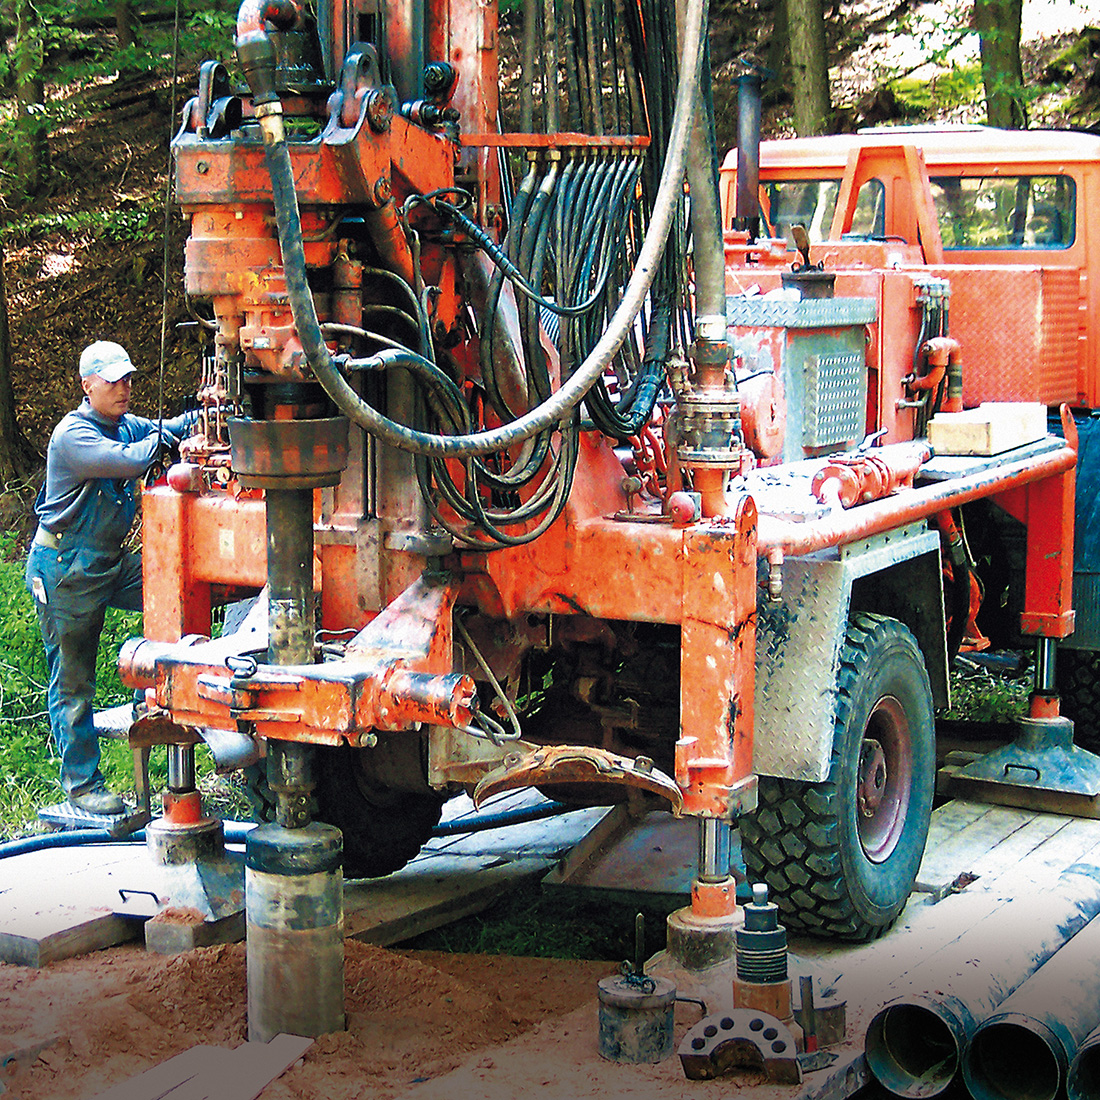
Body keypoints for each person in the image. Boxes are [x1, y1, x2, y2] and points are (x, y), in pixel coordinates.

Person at [25, 341, 195, 816]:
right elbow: (132, 459)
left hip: (108, 562)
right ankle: (82, 785)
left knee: (178, 589)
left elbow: (166, 432)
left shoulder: (123, 424)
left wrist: (200, 416)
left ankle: (154, 696)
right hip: (66, 571)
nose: (124, 389)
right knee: (74, 682)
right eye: (113, 380)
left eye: (128, 380)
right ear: (87, 386)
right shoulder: (74, 436)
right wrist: (159, 442)